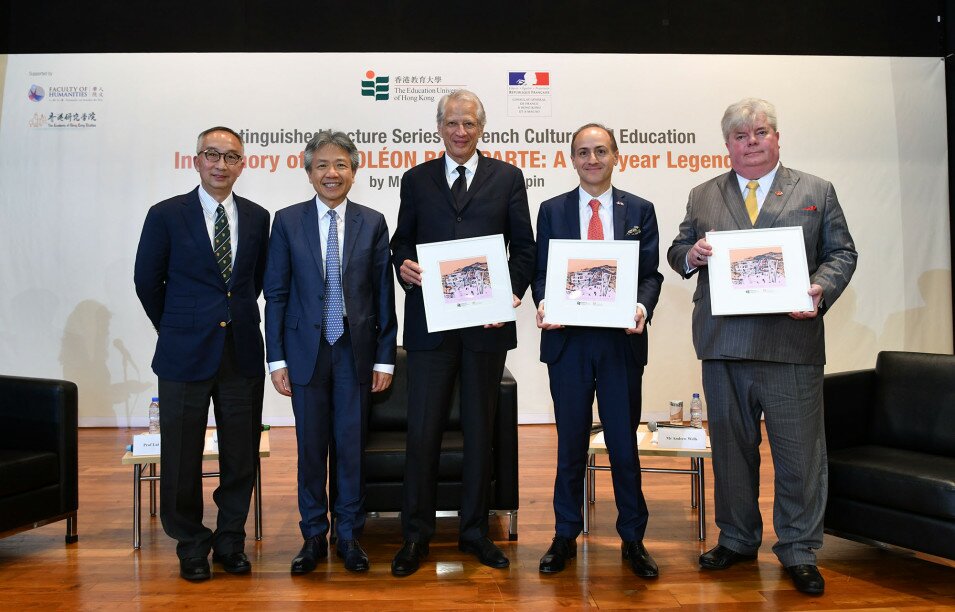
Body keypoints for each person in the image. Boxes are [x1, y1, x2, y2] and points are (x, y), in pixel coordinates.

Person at [667, 98, 857, 595]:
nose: (750, 143)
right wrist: (692, 253)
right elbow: (677, 252)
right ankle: (736, 538)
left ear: (777, 137)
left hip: (790, 343)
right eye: (740, 136)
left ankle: (798, 549)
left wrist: (820, 288)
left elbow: (842, 252)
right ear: (727, 144)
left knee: (799, 456)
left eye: (760, 133)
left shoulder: (816, 190)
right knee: (731, 451)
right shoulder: (702, 193)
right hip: (723, 344)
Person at [389, 89, 536, 576]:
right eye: (452, 123)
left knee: (479, 432)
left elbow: (525, 249)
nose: (460, 131)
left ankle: (474, 532)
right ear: (439, 126)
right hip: (431, 328)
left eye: (469, 123)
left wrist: (510, 294)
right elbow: (401, 239)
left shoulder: (508, 178)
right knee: (423, 433)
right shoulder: (416, 179)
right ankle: (416, 536)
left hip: (485, 329)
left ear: (481, 127)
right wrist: (404, 266)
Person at [134, 126, 270, 581]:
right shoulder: (166, 214)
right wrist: (173, 326)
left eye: (231, 157)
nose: (220, 164)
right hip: (183, 355)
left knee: (240, 455)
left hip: (242, 354)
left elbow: (257, 283)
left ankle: (230, 540)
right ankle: (191, 542)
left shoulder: (258, 217)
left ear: (242, 165)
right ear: (196, 160)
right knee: (180, 457)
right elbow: (147, 281)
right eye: (212, 154)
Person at [533, 123, 664, 577]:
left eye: (601, 151)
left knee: (623, 446)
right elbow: (542, 271)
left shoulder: (640, 210)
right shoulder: (552, 210)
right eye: (583, 152)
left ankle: (633, 539)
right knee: (570, 443)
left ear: (616, 156)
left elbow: (651, 274)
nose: (592, 159)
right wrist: (545, 300)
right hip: (568, 342)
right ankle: (564, 534)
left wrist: (643, 306)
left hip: (618, 344)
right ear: (572, 159)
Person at [263, 131, 397, 574]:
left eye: (340, 164)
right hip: (305, 353)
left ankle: (350, 534)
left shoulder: (373, 221)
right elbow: (276, 294)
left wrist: (384, 357)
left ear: (355, 172)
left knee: (351, 446)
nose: (331, 173)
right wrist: (276, 358)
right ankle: (313, 536)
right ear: (308, 172)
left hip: (355, 353)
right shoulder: (286, 221)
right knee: (309, 448)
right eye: (321, 165)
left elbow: (382, 296)